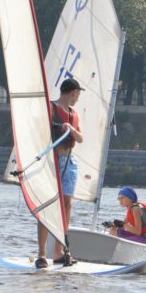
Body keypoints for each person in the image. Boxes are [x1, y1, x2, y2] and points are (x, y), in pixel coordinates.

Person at [36, 78, 84, 268]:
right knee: (48, 205)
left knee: (67, 205)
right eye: (77, 96)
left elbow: (80, 138)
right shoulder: (51, 108)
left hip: (69, 162)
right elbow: (39, 128)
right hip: (52, 161)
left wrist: (71, 128)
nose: (77, 100)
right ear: (72, 93)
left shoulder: (74, 114)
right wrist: (59, 127)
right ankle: (41, 254)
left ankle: (58, 252)